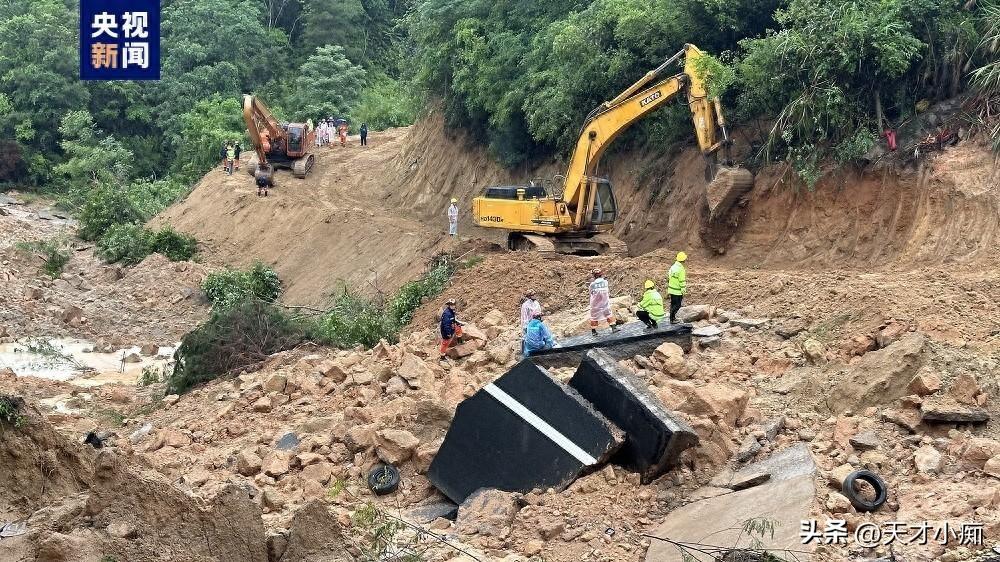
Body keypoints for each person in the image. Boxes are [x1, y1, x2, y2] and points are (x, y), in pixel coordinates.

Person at [589, 268, 617, 336]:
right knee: (608, 314)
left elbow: (591, 293)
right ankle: (613, 328)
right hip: (605, 303)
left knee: (594, 317)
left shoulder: (592, 284)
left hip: (595, 304)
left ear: (594, 276)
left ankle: (594, 331)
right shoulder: (605, 282)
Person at [667, 251, 687, 323]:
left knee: (673, 304)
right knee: (677, 305)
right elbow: (682, 281)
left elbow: (669, 276)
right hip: (677, 291)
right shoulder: (681, 269)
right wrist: (683, 290)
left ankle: (672, 318)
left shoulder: (673, 267)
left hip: (671, 290)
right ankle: (672, 319)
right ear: (683, 260)